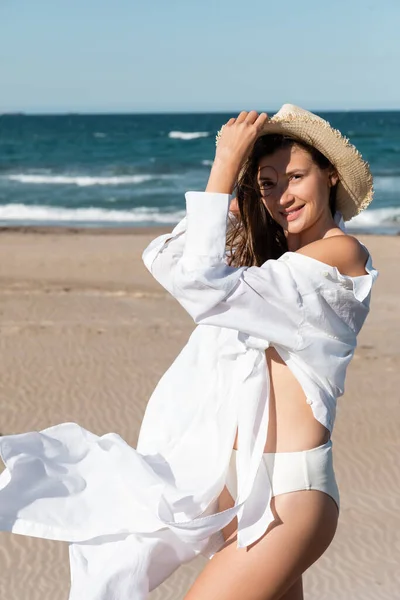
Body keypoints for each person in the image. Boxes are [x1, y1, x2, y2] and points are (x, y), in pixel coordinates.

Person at [0, 104, 378, 600]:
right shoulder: (271, 276)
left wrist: (225, 166)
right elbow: (168, 259)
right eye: (267, 184)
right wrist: (230, 205)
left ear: (329, 176)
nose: (282, 195)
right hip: (245, 492)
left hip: (290, 499)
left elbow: (202, 284)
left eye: (296, 177)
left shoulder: (336, 257)